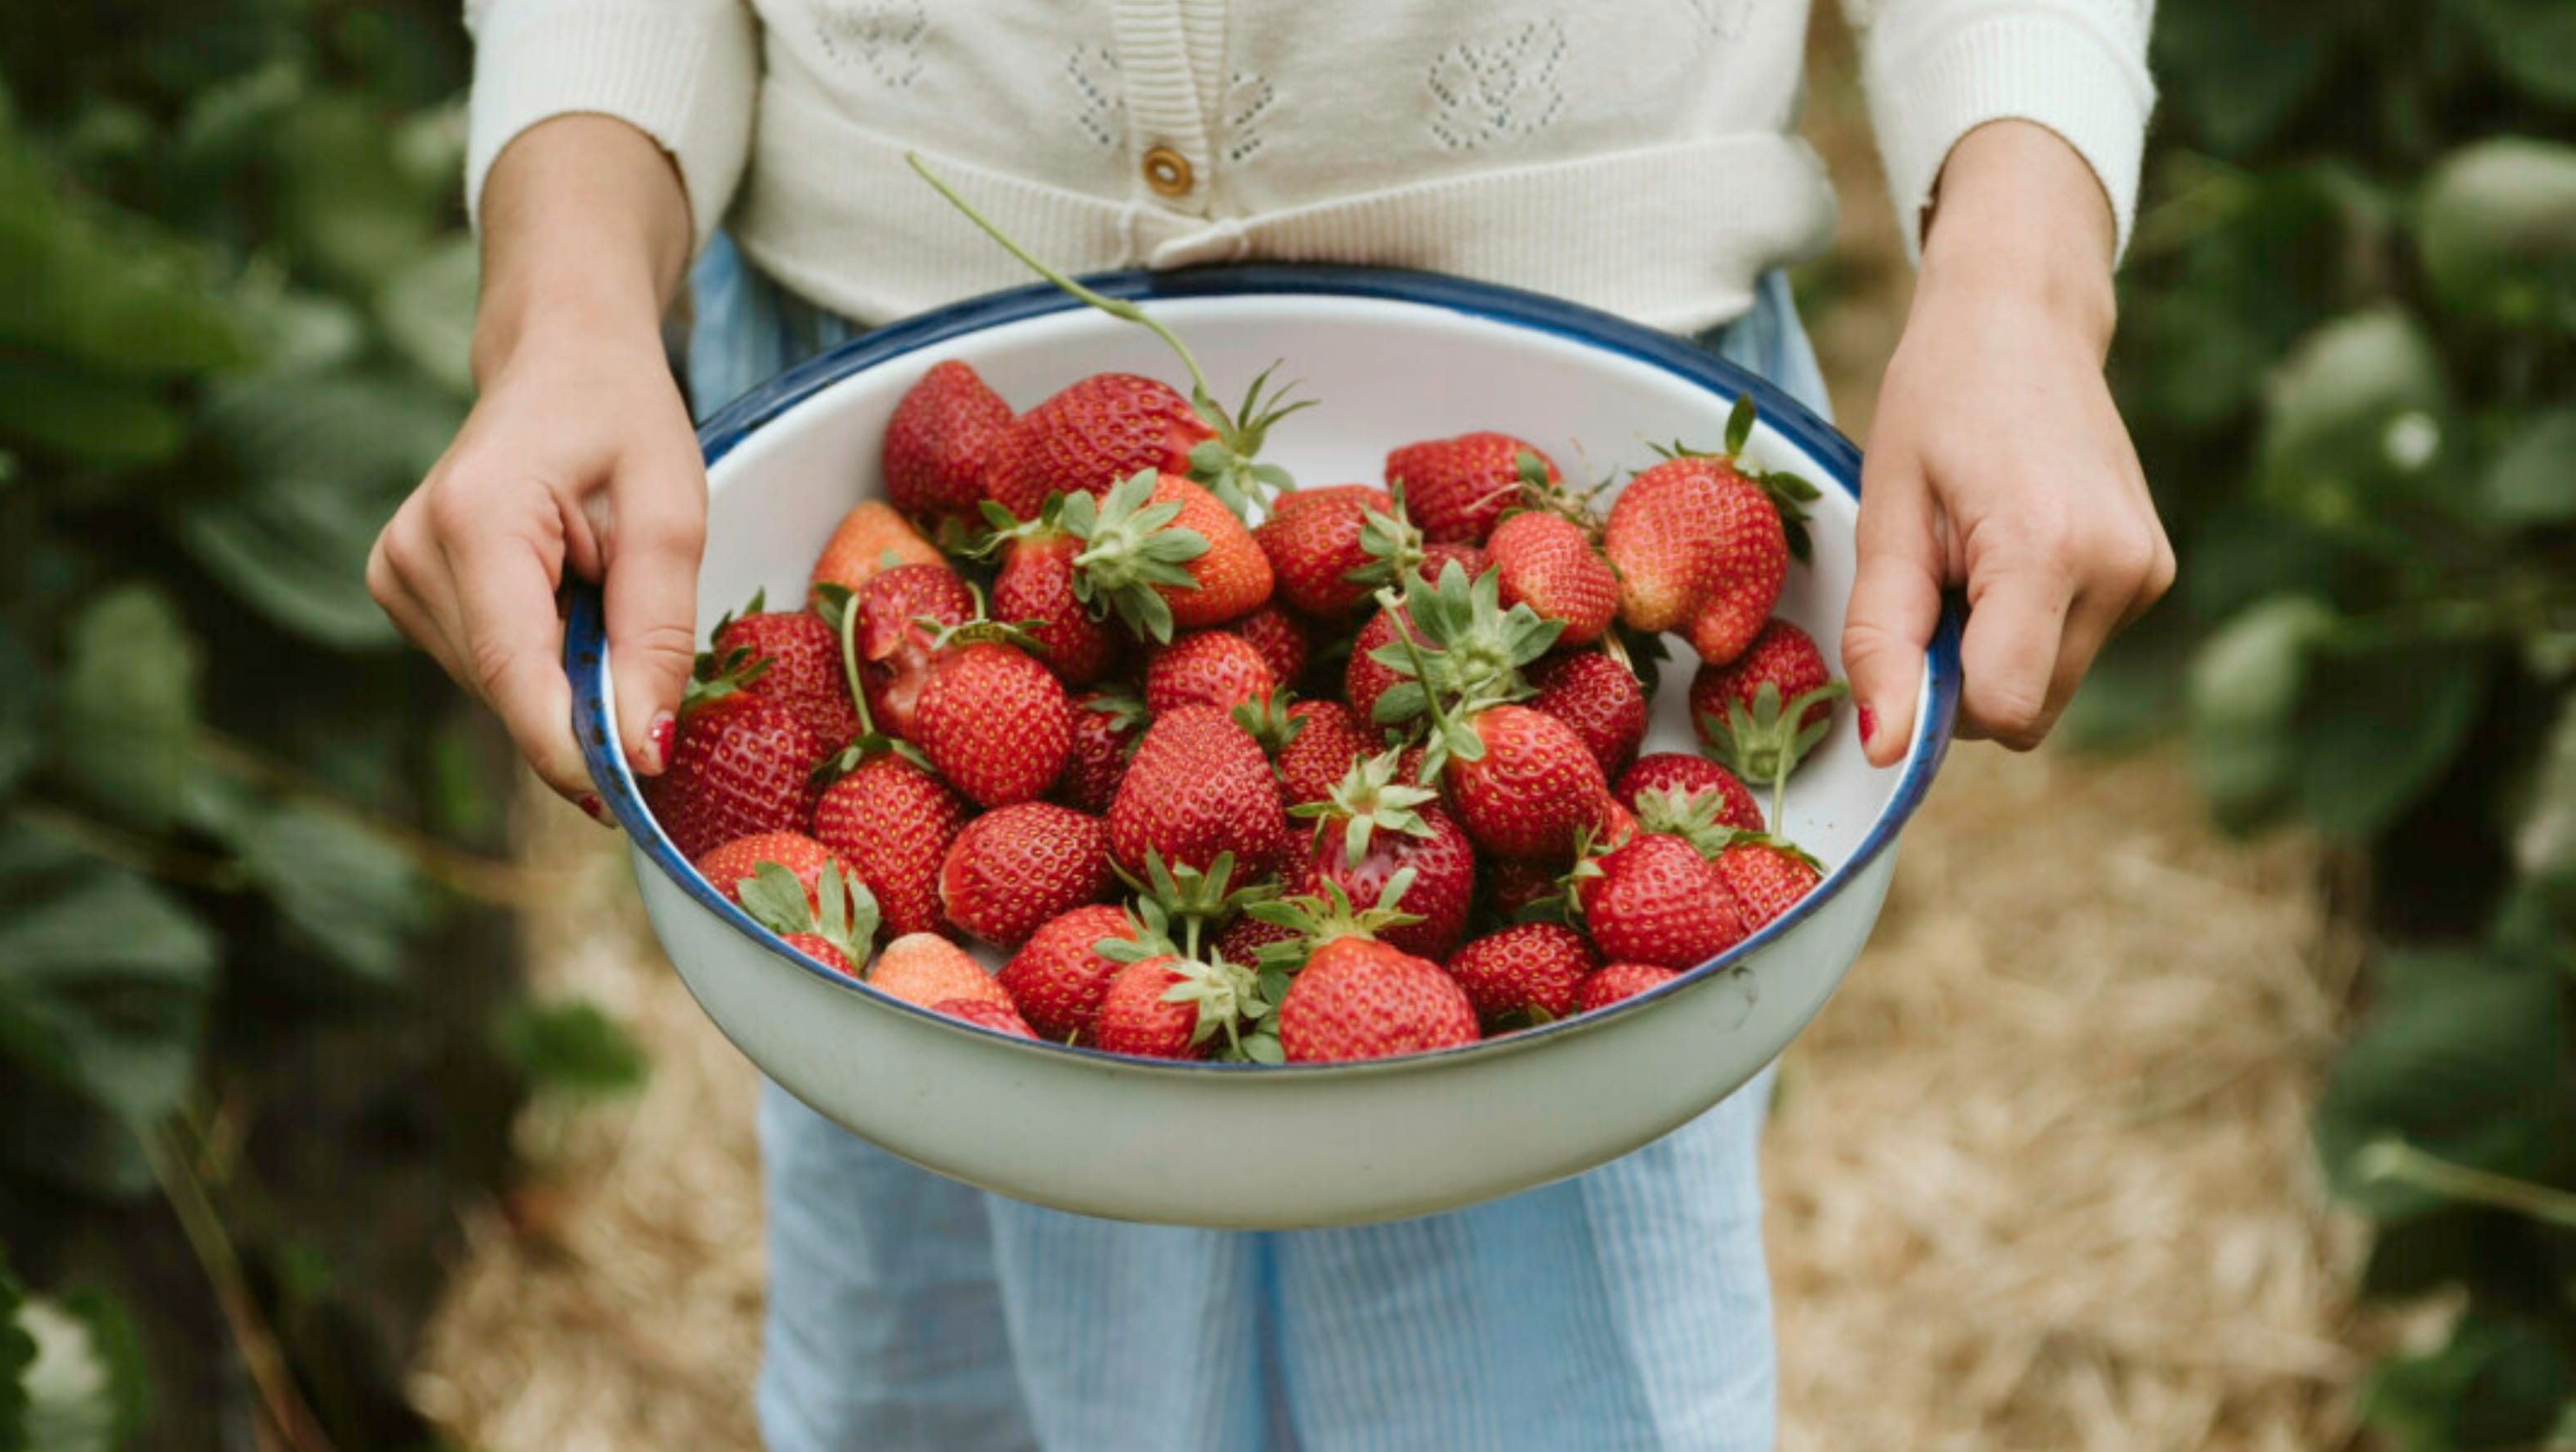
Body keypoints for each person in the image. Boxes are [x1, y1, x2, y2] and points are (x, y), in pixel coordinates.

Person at [371, 3, 2173, 1446]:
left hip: (1599, 406)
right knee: (965, 1297)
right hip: (906, 452)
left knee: (1541, 1355)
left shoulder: (1588, 622)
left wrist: (2024, 281)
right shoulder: (924, 693)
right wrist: (568, 299)